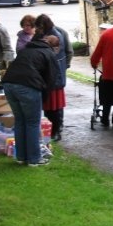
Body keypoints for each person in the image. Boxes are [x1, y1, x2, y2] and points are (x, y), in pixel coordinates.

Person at [1, 32, 59, 166]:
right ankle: (34, 159)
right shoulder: (49, 54)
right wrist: (44, 98)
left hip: (8, 83)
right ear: (55, 47)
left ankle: (21, 157)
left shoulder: (27, 49)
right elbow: (51, 80)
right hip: (28, 86)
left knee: (20, 121)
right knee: (32, 122)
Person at [35, 13, 72, 141]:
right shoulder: (45, 35)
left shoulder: (55, 37)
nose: (37, 30)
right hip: (50, 77)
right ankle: (51, 130)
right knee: (49, 107)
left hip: (54, 77)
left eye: (38, 27)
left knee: (55, 107)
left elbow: (49, 56)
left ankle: (56, 130)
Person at [89, 12, 113, 129]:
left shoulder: (106, 34)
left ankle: (105, 119)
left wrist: (94, 63)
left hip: (107, 74)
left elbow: (97, 53)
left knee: (107, 98)